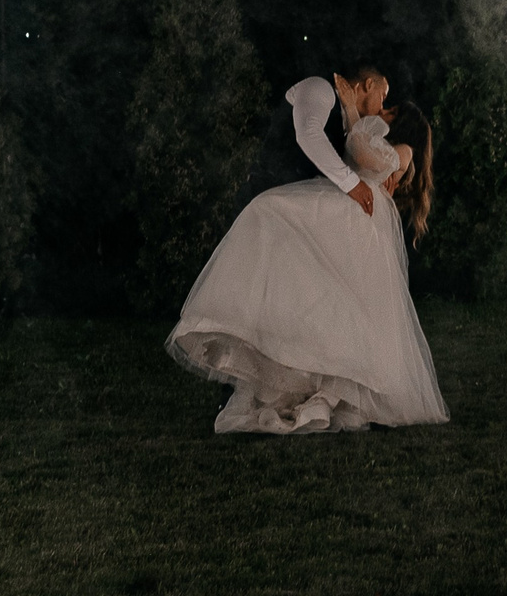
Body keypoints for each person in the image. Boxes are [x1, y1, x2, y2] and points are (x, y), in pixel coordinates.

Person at [166, 70, 448, 433]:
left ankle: (326, 389)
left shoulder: (397, 146)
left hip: (353, 215)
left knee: (319, 283)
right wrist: (352, 123)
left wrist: (353, 113)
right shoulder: (322, 91)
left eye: (389, 107)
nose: (382, 107)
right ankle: (272, 373)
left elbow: (362, 155)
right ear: (367, 85)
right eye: (384, 97)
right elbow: (318, 138)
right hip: (339, 204)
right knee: (308, 289)